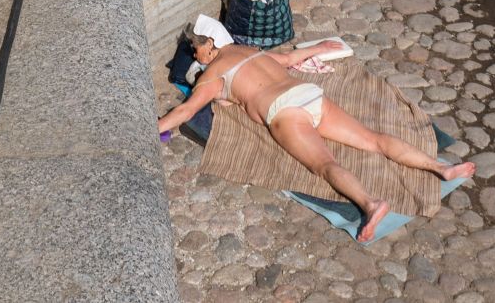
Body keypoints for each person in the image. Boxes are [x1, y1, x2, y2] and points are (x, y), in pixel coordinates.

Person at [158, 29, 473, 243]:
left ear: (205, 52)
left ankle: (371, 203)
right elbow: (289, 60)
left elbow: (186, 112)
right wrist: (321, 48)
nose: (199, 60)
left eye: (197, 55)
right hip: (307, 93)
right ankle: (441, 167)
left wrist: (157, 127)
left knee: (324, 165)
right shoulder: (247, 50)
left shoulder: (212, 76)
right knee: (373, 139)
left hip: (284, 111)